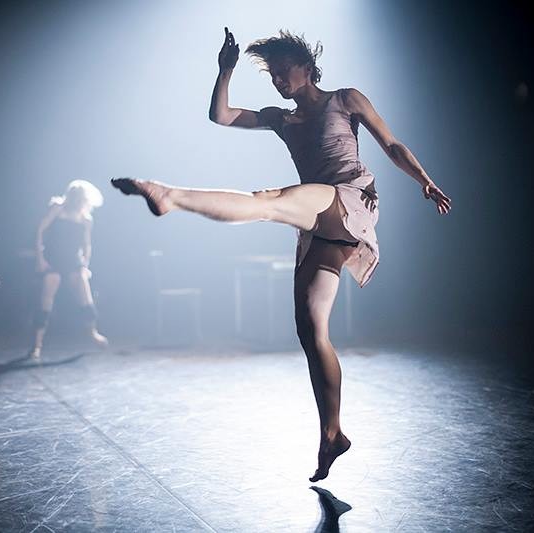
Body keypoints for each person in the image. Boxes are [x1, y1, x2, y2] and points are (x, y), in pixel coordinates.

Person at [111, 28, 451, 482]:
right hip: (318, 219)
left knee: (268, 201)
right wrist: (225, 70)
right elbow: (221, 116)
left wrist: (424, 180)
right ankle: (332, 433)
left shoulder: (345, 99)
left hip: (349, 198)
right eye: (271, 74)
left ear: (308, 68)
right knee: (311, 329)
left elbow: (390, 144)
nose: (277, 81)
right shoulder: (281, 119)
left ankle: (171, 196)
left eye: (283, 71)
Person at [29, 180, 108, 358]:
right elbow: (40, 230)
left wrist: (85, 265)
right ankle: (37, 343)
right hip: (53, 259)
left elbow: (87, 245)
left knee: (84, 290)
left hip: (73, 261)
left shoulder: (86, 219)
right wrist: (40, 258)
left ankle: (92, 332)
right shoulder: (58, 209)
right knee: (48, 294)